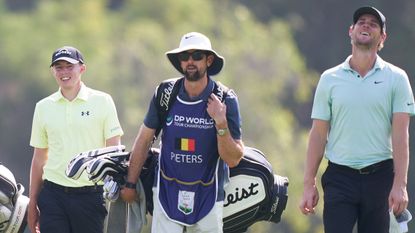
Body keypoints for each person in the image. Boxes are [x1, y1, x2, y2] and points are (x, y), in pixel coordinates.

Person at [299, 6, 415, 233]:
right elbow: (319, 134)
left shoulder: (397, 78)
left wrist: (400, 184)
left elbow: (401, 134)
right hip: (339, 176)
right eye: (361, 21)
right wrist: (308, 183)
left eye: (373, 24)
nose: (366, 25)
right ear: (351, 31)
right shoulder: (329, 79)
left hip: (380, 177)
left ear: (382, 37)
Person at [121, 32, 244, 233]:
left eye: (196, 56)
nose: (190, 61)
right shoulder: (165, 93)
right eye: (185, 57)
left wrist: (220, 123)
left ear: (209, 60)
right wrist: (130, 183)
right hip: (166, 194)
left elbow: (233, 159)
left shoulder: (225, 99)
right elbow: (144, 140)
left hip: (209, 197)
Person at [28, 46, 124, 233]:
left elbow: (115, 152)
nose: (64, 72)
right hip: (52, 195)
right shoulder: (43, 107)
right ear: (52, 71)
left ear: (82, 69)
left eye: (69, 66)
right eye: (59, 67)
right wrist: (33, 202)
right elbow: (39, 158)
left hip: (91, 194)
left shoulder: (102, 101)